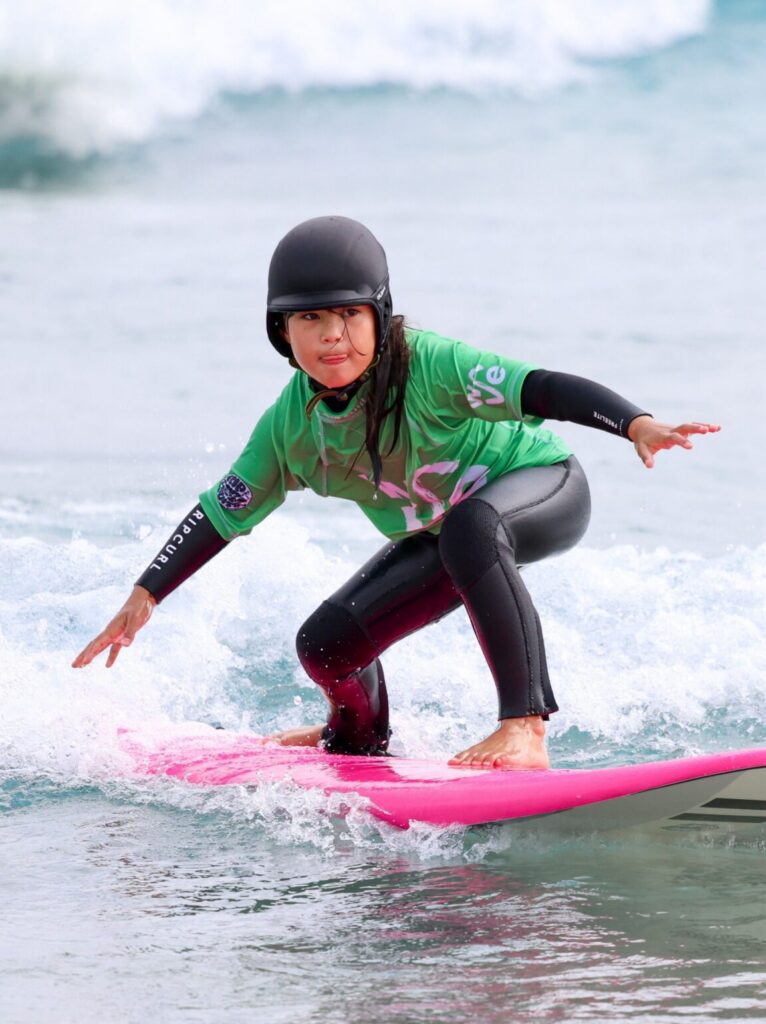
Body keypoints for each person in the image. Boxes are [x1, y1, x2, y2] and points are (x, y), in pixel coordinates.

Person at [72, 216, 719, 770]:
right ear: (282, 334)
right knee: (324, 645)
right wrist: (146, 593)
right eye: (311, 319)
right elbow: (223, 510)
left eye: (351, 314)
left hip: (544, 489)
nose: (333, 335)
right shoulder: (289, 431)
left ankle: (526, 726)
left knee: (472, 528)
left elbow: (542, 388)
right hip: (451, 537)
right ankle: (356, 738)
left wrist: (635, 422)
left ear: (378, 318)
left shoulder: (432, 366)